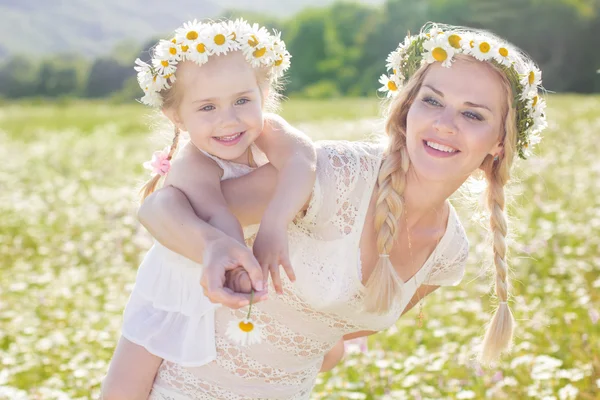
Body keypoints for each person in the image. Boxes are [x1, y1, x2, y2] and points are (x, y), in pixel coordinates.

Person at [137, 22, 547, 399]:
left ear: (498, 142)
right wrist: (210, 245)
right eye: (432, 101)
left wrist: (309, 352)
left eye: (473, 114)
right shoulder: (336, 174)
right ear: (407, 109)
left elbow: (339, 331)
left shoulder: (449, 253)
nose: (444, 123)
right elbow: (161, 208)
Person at [101, 18, 327, 400]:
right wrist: (242, 260)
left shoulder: (270, 131)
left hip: (246, 260)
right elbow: (220, 218)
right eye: (207, 107)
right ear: (176, 117)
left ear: (264, 92)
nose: (229, 120)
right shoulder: (194, 164)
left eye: (242, 100)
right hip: (182, 270)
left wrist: (274, 224)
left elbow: (303, 160)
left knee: (321, 348)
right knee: (131, 377)